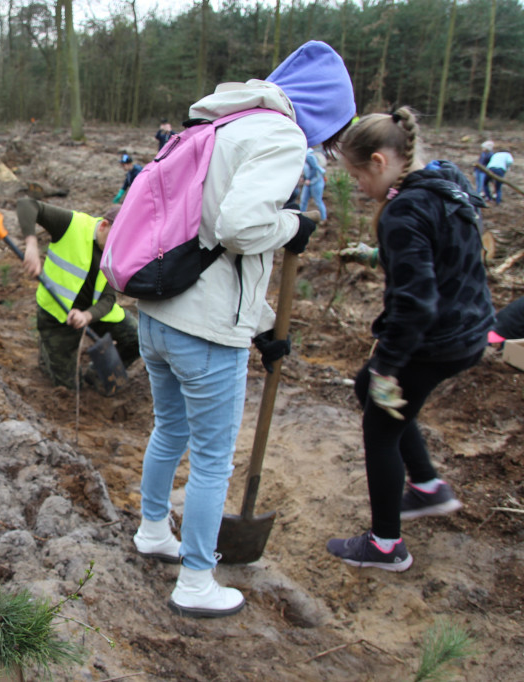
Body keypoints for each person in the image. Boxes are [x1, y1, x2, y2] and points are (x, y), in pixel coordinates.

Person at [130, 40, 353, 618]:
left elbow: (208, 241)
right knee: (211, 459)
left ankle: (153, 529)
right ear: (325, 112)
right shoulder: (279, 134)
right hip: (204, 333)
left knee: (169, 428)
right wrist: (292, 225)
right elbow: (238, 228)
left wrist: (261, 326)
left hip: (157, 313)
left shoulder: (219, 123)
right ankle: (197, 580)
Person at [326, 107, 494, 573]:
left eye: (358, 175)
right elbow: (441, 249)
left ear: (380, 162)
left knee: (380, 425)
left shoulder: (402, 210)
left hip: (434, 340)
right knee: (369, 394)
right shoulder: (445, 178)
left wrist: (388, 366)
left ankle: (385, 546)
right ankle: (425, 486)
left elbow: (417, 303)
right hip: (470, 328)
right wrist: (379, 254)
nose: (359, 188)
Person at [17, 197, 140, 391]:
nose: (116, 249)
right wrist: (31, 245)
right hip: (57, 315)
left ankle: (97, 373)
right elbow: (27, 204)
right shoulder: (71, 225)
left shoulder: (118, 251)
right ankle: (48, 352)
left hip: (92, 311)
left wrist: (87, 316)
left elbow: (108, 298)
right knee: (69, 387)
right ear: (103, 226)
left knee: (137, 339)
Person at [299, 146, 328, 221]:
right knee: (303, 200)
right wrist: (304, 178)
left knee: (318, 201)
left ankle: (323, 218)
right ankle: (301, 217)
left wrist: (308, 179)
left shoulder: (309, 156)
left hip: (316, 182)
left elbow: (314, 168)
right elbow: (307, 170)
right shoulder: (305, 156)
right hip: (309, 183)